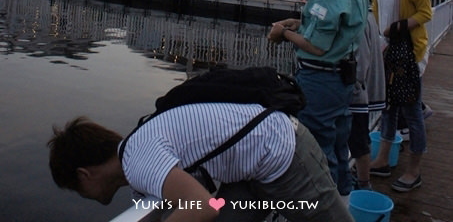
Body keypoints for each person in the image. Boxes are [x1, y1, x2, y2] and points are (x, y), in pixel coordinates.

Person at [48, 106, 354, 222]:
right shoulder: (136, 158)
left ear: (84, 174)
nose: (82, 194)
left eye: (76, 188)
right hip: (250, 169)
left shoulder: (139, 161)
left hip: (284, 154)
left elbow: (203, 205)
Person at [268, 0, 368, 197]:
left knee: (316, 150)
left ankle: (325, 207)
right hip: (341, 80)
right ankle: (343, 198)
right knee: (337, 142)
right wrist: (299, 23)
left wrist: (283, 33)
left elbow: (317, 47)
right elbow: (335, 30)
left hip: (321, 79)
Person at [368, 0, 432, 192]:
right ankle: (382, 159)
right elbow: (375, 8)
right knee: (388, 108)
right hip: (386, 51)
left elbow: (425, 12)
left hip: (409, 53)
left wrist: (397, 27)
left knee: (412, 112)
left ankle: (414, 170)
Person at [348, 0, 386, 190]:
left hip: (356, 95)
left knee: (358, 142)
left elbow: (360, 64)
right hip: (362, 93)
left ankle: (363, 184)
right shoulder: (369, 15)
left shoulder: (360, 19)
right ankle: (362, 181)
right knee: (359, 140)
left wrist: (351, 84)